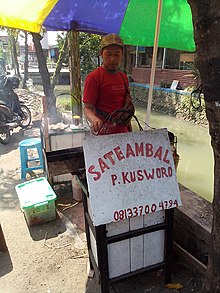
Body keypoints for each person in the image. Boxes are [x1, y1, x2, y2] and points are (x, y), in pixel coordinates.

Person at [83, 33, 133, 135]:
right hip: (103, 134)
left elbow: (126, 107)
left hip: (123, 134)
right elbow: (87, 108)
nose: (112, 59)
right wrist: (94, 119)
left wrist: (130, 133)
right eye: (108, 54)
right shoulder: (94, 77)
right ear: (101, 54)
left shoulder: (123, 77)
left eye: (117, 54)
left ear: (122, 54)